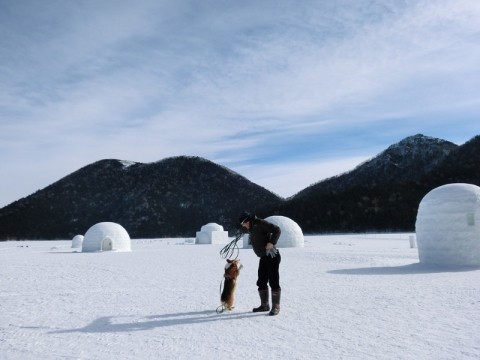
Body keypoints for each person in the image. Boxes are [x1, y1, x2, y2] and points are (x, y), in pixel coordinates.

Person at [238, 211, 282, 316]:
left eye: (244, 223)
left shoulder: (260, 223)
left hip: (272, 256)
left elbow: (277, 230)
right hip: (263, 257)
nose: (243, 226)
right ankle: (264, 305)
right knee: (261, 281)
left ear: (248, 220)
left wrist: (271, 242)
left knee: (273, 281)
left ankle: (276, 306)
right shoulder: (252, 227)